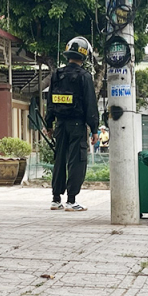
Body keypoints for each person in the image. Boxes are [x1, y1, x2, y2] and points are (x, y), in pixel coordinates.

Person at [44, 36, 99, 211]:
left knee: (59, 160)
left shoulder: (57, 75)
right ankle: (71, 200)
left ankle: (55, 199)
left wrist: (49, 125)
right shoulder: (84, 77)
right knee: (77, 161)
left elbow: (50, 102)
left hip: (60, 125)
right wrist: (95, 129)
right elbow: (90, 104)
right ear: (84, 56)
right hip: (77, 126)